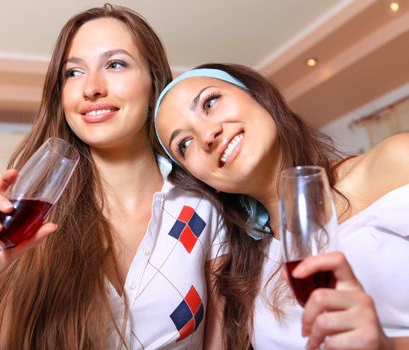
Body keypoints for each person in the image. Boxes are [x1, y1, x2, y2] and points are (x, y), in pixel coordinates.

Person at [0, 5, 226, 349]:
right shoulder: (34, 224)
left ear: (155, 84)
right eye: (73, 72)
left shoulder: (205, 209)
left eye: (115, 64)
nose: (91, 88)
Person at [154, 63, 409, 349]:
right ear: (203, 181)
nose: (207, 135)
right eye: (185, 144)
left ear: (258, 95)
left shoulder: (397, 162)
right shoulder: (243, 280)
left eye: (210, 102)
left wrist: (388, 345)